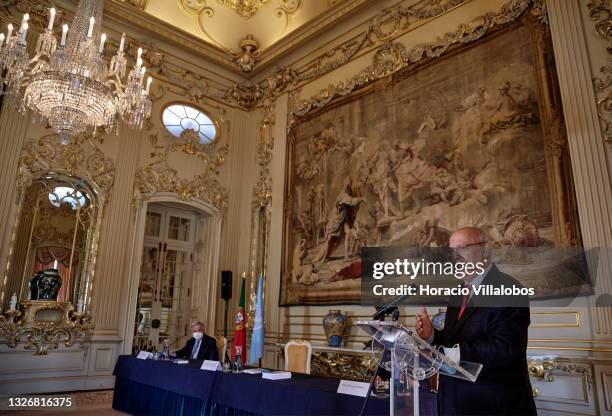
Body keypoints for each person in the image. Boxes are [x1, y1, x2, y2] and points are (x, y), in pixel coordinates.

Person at [415, 227, 536, 415]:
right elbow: (453, 340)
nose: (455, 257)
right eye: (451, 251)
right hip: (455, 402)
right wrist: (432, 337)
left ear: (485, 250)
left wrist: (444, 352)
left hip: (494, 405)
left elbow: (504, 348)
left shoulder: (510, 289)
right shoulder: (457, 293)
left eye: (462, 248)